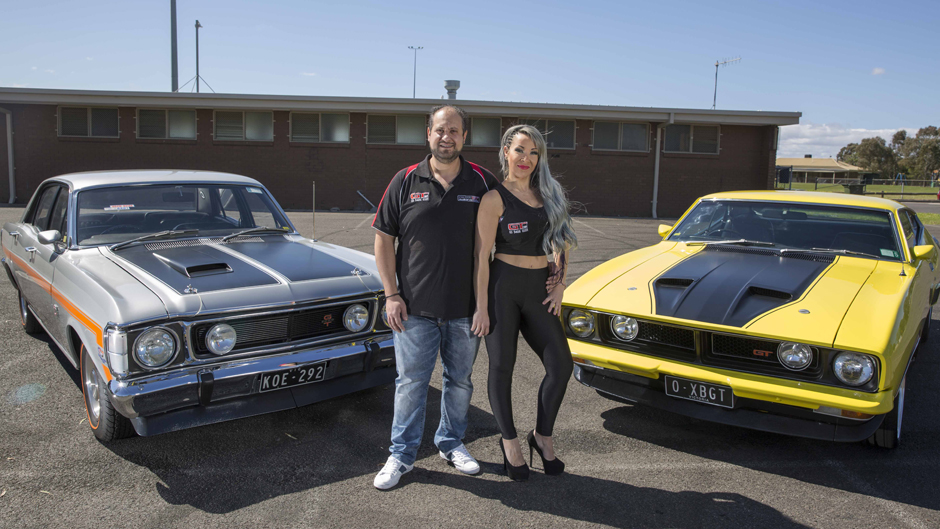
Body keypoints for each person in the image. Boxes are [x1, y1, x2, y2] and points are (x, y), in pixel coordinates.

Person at [372, 105, 499, 490]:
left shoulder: (483, 182)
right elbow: (383, 240)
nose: (447, 137)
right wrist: (391, 294)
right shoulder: (405, 180)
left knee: (460, 382)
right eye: (441, 130)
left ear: (465, 137)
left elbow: (513, 233)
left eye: (455, 131)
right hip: (414, 310)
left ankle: (450, 442)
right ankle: (402, 454)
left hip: (466, 311)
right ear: (428, 133)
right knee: (411, 383)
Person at [471, 124, 577, 481]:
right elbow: (482, 255)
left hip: (539, 288)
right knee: (502, 366)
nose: (526, 159)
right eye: (520, 150)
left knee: (561, 365)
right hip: (502, 288)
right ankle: (511, 443)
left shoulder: (548, 193)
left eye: (534, 153)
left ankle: (542, 436)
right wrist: (482, 307)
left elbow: (561, 242)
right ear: (506, 152)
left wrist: (560, 283)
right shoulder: (494, 199)